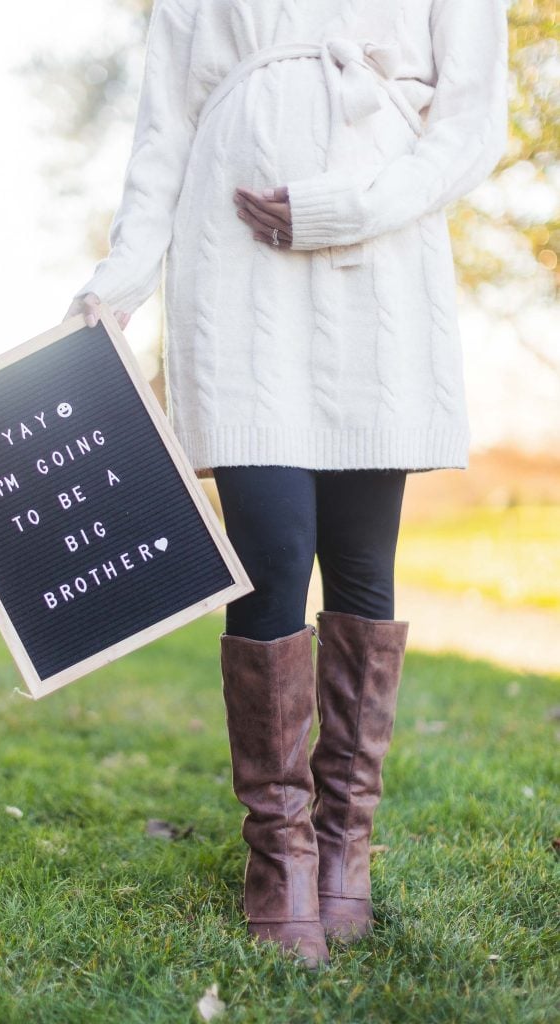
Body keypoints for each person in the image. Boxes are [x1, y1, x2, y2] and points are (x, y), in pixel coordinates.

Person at [64, 0, 509, 970]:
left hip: (377, 262)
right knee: (266, 556)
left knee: (359, 562)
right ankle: (279, 854)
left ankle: (345, 839)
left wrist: (354, 205)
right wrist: (119, 285)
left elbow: (472, 120)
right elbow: (162, 134)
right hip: (233, 269)